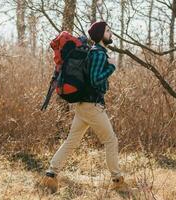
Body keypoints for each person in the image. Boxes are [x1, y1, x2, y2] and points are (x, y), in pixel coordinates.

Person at [41, 21, 128, 193]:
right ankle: (117, 180)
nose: (111, 33)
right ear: (100, 35)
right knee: (111, 140)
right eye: (108, 31)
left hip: (83, 106)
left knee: (71, 142)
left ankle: (51, 174)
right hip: (92, 105)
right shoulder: (98, 54)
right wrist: (111, 67)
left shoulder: (94, 52)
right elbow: (95, 80)